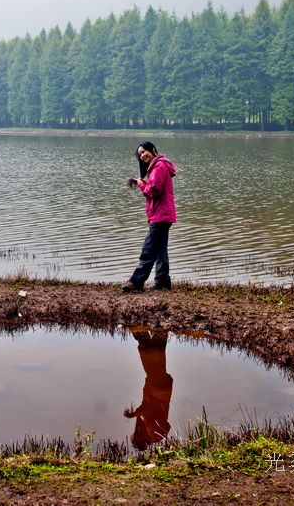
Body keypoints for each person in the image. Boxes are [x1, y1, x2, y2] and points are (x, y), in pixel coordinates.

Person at [123, 142, 176, 292]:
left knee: (149, 249)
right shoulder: (158, 167)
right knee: (160, 249)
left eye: (144, 152)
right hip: (163, 214)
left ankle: (136, 282)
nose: (142, 156)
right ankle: (162, 280)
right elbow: (155, 187)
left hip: (160, 216)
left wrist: (141, 184)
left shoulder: (159, 166)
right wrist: (142, 182)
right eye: (140, 155)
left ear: (153, 150)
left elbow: (153, 191)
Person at [123, 326, 173, 449]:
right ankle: (141, 328)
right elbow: (149, 413)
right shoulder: (154, 435)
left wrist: (136, 414)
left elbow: (147, 409)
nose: (137, 433)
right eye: (137, 436)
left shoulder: (155, 435)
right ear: (141, 439)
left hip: (161, 390)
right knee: (148, 354)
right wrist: (136, 415)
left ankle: (159, 330)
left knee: (156, 361)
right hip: (158, 391)